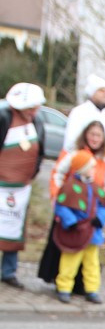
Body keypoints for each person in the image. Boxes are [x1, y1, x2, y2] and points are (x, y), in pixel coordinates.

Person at [38, 120, 105, 294]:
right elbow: (58, 172)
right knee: (66, 248)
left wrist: (102, 211)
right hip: (71, 208)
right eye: (92, 134)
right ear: (86, 134)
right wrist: (57, 197)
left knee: (89, 255)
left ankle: (84, 286)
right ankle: (62, 283)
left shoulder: (104, 161)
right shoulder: (73, 154)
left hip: (91, 211)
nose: (94, 138)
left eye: (98, 135)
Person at [0, 82, 45, 289]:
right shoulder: (4, 118)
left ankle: (9, 271)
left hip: (21, 188)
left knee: (14, 229)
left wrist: (32, 174)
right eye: (31, 108)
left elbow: (40, 153)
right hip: (1, 184)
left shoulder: (37, 123)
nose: (34, 112)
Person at [53, 148, 105, 305]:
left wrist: (100, 218)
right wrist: (70, 221)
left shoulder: (96, 187)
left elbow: (104, 205)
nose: (93, 170)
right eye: (90, 167)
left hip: (92, 231)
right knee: (69, 261)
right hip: (76, 231)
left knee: (92, 264)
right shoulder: (70, 186)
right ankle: (64, 287)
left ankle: (92, 289)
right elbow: (62, 205)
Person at [62, 74, 105, 189]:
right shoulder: (79, 112)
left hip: (104, 172)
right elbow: (70, 143)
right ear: (92, 92)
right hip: (82, 170)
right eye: (101, 90)